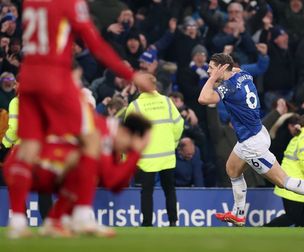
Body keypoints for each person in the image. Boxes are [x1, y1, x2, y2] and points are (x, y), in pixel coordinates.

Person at [6, 0, 150, 238]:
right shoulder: (70, 3)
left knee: (27, 148)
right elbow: (95, 44)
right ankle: (83, 215)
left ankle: (18, 220)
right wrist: (130, 74)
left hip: (29, 77)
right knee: (92, 138)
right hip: (55, 79)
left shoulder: (31, 3)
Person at [198, 53, 304, 226]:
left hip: (252, 143)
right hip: (255, 133)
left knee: (283, 181)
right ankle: (239, 214)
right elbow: (234, 68)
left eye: (212, 68)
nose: (208, 71)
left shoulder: (229, 87)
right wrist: (222, 68)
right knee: (232, 169)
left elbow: (203, 99)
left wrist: (213, 78)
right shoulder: (243, 74)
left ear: (222, 68)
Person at [3, 112, 152, 238]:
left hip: (43, 167)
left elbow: (117, 186)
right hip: (24, 165)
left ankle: (55, 221)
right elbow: (111, 180)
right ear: (125, 133)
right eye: (128, 147)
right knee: (87, 167)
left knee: (85, 170)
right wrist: (136, 154)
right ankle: (21, 220)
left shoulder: (108, 136)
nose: (127, 151)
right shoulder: (102, 132)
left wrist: (135, 154)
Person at [125, 75, 184, 227]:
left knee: (147, 191)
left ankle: (147, 223)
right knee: (169, 189)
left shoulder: (135, 106)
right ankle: (173, 221)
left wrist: (127, 158)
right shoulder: (167, 102)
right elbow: (179, 124)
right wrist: (174, 143)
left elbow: (128, 135)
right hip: (167, 155)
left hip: (146, 158)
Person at [264, 114, 304, 227]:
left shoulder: (299, 136)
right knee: (292, 216)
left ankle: (300, 232)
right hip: (296, 183)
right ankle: (263, 230)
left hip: (290, 181)